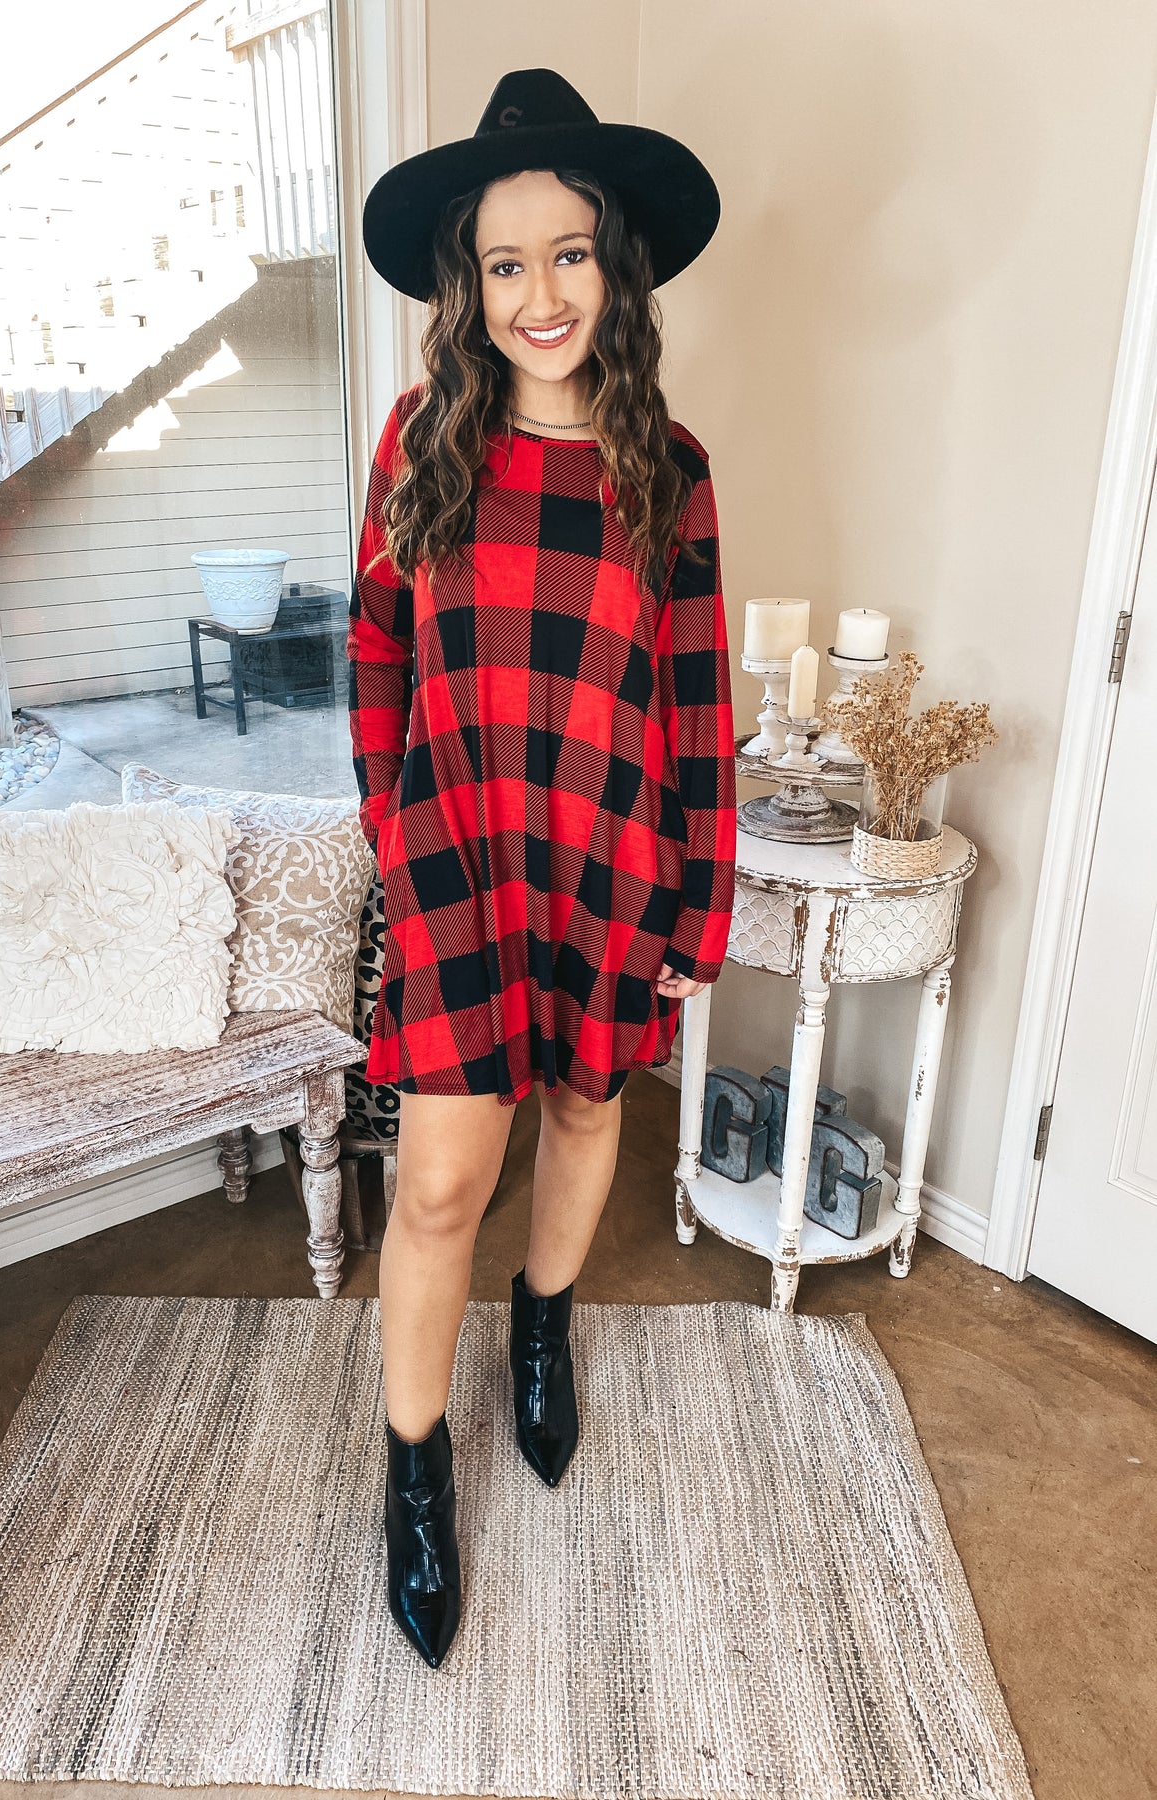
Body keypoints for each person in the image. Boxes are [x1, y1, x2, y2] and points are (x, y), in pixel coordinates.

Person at [349, 67, 736, 1667]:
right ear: (468, 285)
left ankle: (543, 1337)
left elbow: (695, 698)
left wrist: (700, 896)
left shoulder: (670, 466)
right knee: (441, 1181)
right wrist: (393, 833)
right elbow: (375, 655)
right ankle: (414, 1472)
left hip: (613, 856)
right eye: (503, 264)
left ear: (614, 264)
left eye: (566, 253)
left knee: (583, 1109)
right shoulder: (420, 440)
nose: (538, 294)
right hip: (458, 860)